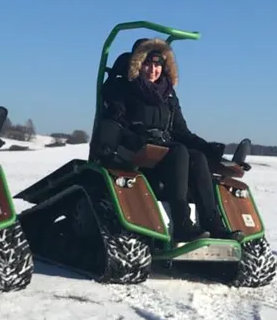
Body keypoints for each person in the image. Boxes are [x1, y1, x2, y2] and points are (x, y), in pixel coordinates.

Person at [98, 37, 233, 242]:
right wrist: (136, 139)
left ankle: (211, 222)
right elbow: (114, 123)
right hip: (133, 150)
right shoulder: (122, 87)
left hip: (165, 150)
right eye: (147, 64)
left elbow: (182, 132)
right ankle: (181, 223)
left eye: (157, 65)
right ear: (137, 64)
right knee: (179, 151)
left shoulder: (168, 95)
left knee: (196, 156)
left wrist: (208, 148)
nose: (153, 70)